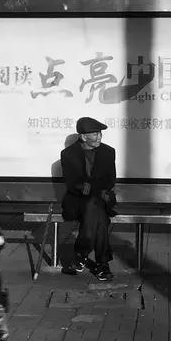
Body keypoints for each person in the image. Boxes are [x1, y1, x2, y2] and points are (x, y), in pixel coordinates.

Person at [60, 116, 117, 282]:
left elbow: (110, 180)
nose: (99, 137)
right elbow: (73, 183)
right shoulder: (68, 154)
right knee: (99, 216)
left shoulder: (108, 152)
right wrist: (94, 190)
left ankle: (80, 255)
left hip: (100, 199)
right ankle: (102, 264)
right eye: (95, 134)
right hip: (77, 201)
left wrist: (95, 190)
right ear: (84, 137)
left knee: (96, 211)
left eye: (100, 133)